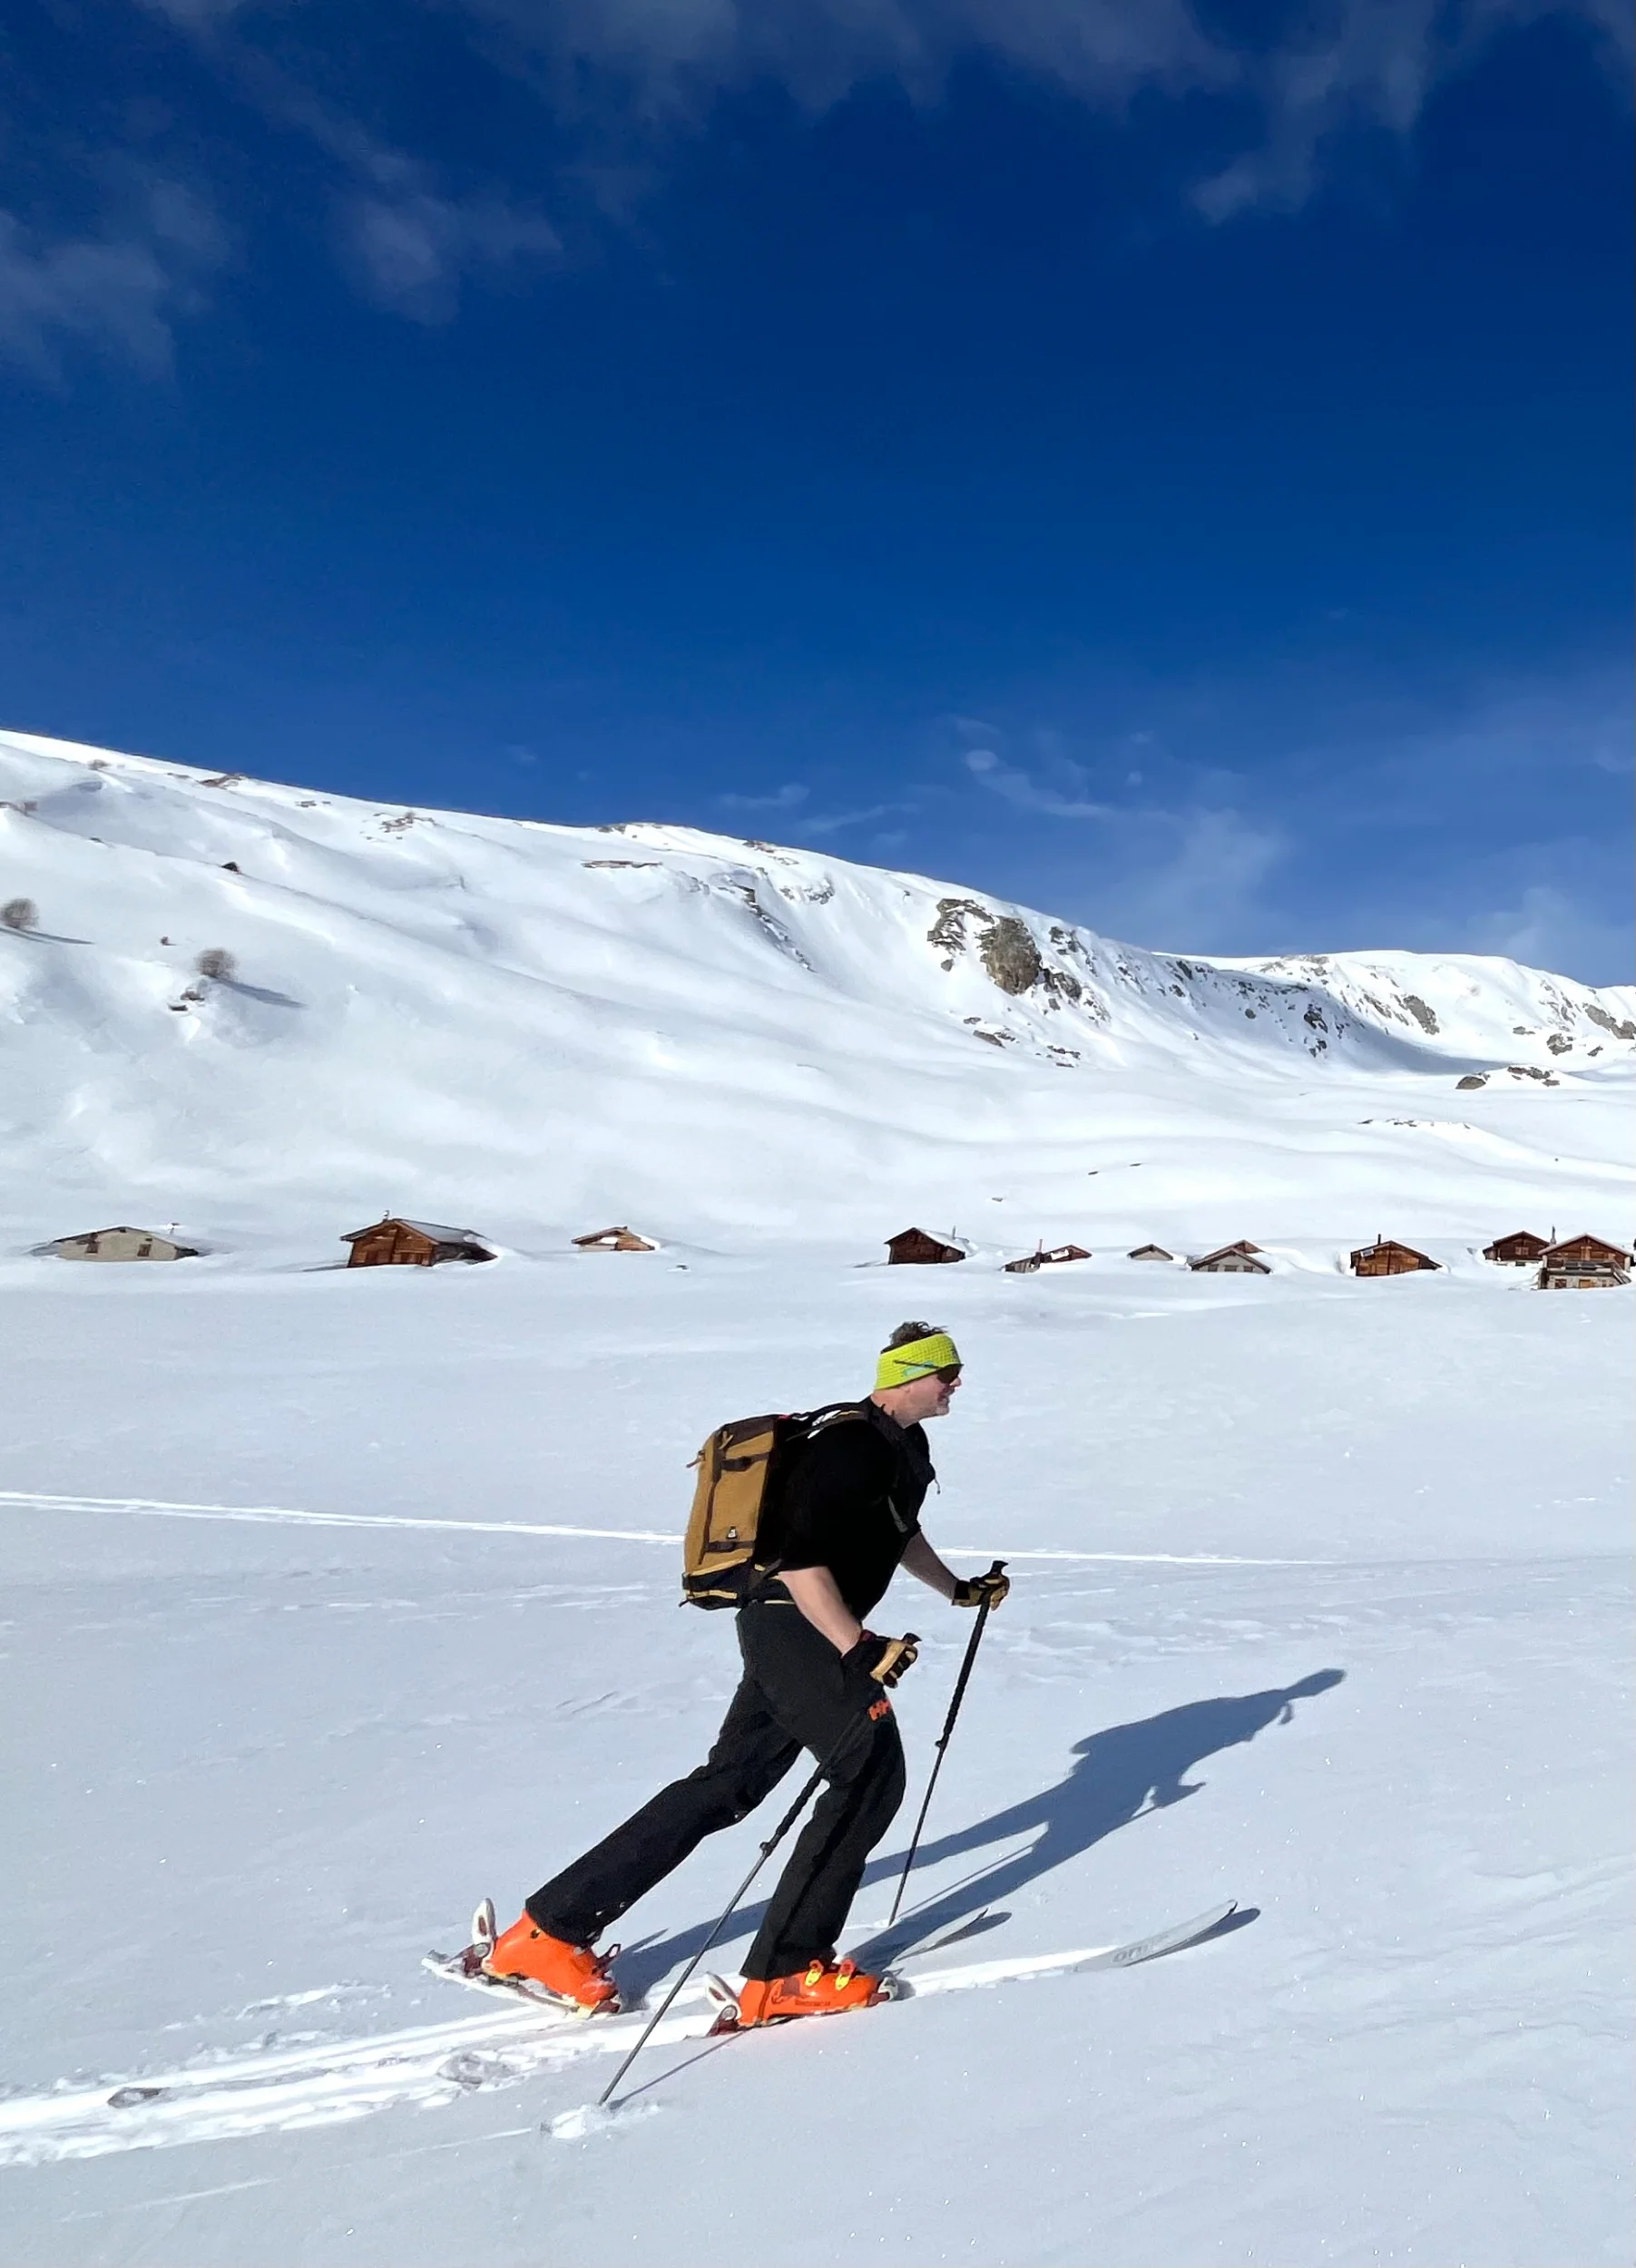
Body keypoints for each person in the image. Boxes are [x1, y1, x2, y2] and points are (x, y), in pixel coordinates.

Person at [485, 1321, 1010, 2027]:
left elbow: (898, 1531)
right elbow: (798, 1558)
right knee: (868, 1767)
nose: (956, 1384)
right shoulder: (848, 1444)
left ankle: (545, 1935)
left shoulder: (902, 1446)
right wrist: (856, 1646)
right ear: (909, 1375)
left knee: (728, 1783)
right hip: (793, 1623)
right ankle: (787, 1971)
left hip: (801, 1631)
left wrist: (956, 1589)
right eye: (947, 1372)